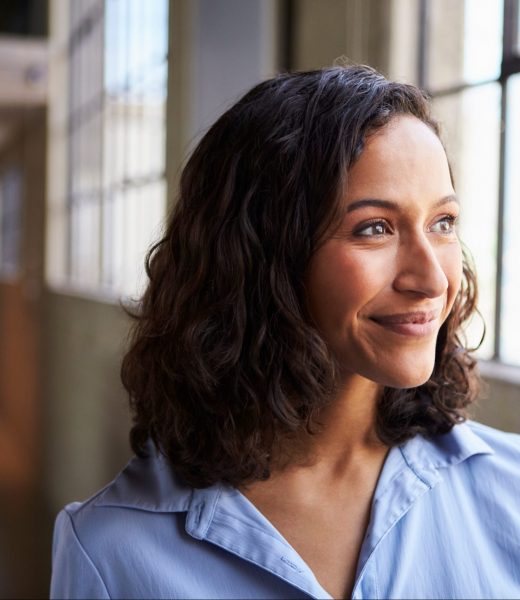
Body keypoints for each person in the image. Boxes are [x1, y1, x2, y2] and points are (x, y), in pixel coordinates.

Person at [50, 65, 520, 599]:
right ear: (264, 256)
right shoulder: (110, 551)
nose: (432, 278)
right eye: (374, 229)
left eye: (443, 223)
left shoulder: (512, 493)